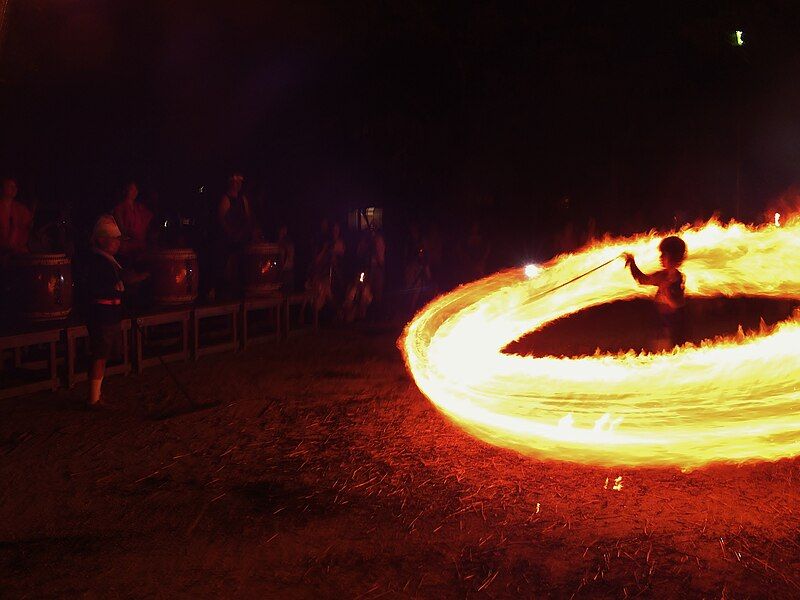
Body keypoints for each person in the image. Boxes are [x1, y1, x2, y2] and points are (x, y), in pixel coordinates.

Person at [86, 215, 148, 406]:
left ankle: (96, 394)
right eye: (114, 239)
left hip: (111, 312)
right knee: (100, 355)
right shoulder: (97, 261)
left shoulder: (111, 261)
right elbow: (97, 287)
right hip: (101, 313)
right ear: (101, 240)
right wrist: (118, 288)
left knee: (104, 355)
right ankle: (93, 398)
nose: (117, 244)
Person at [624, 235, 688, 351]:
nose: (661, 258)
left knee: (669, 354)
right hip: (661, 324)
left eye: (664, 255)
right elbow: (642, 280)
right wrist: (631, 263)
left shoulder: (678, 279)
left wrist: (667, 293)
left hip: (673, 327)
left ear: (673, 258)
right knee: (659, 351)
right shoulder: (662, 276)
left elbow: (677, 304)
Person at [212, 172, 256, 298]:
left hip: (240, 236)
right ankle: (219, 290)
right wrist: (231, 233)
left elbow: (248, 218)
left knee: (242, 262)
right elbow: (221, 218)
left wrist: (243, 232)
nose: (238, 185)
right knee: (222, 263)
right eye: (236, 183)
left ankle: (241, 290)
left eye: (239, 183)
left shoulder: (243, 199)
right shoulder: (226, 198)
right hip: (226, 237)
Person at [112, 181, 153, 262]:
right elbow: (121, 230)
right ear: (125, 190)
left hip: (140, 246)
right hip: (127, 247)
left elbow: (148, 220)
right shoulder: (119, 208)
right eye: (131, 189)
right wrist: (131, 234)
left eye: (136, 189)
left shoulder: (139, 208)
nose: (134, 192)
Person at [0, 176, 33, 259]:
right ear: (3, 188)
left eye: (15, 187)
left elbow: (29, 227)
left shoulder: (21, 209)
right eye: (10, 186)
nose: (14, 189)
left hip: (18, 253)